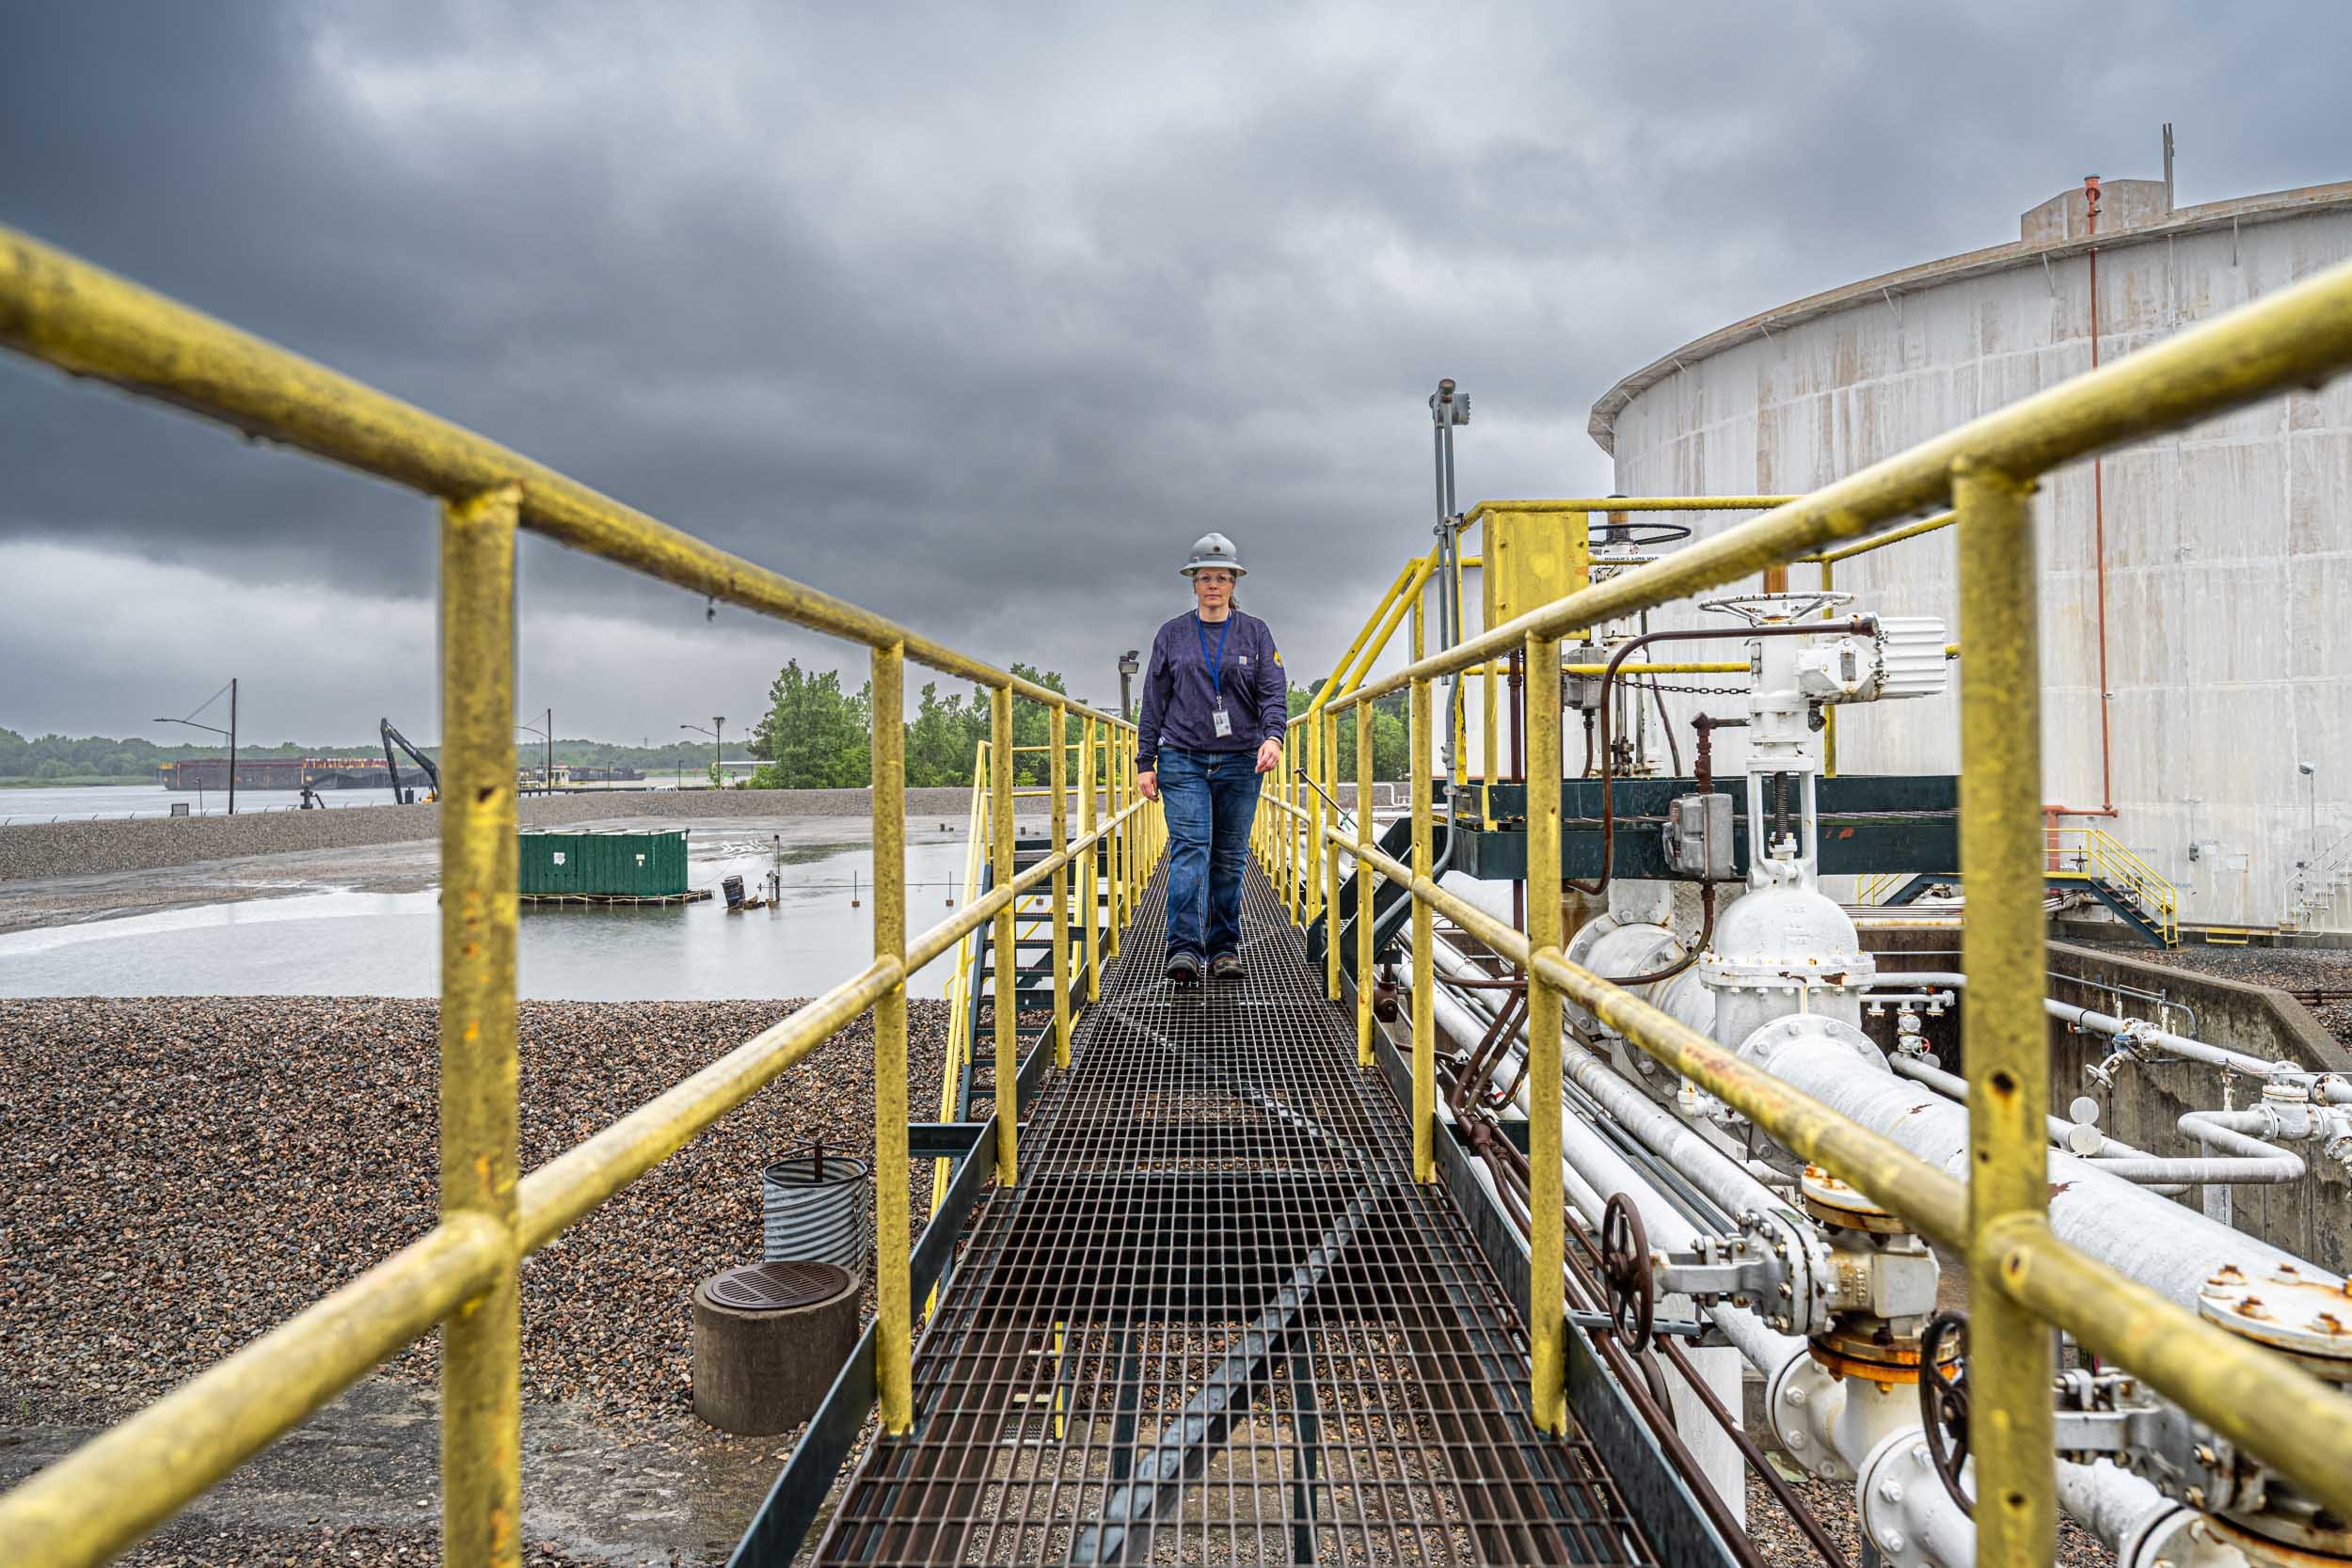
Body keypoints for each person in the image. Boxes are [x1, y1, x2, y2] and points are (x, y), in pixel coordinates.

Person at [1135, 532, 1288, 984]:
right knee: (1190, 849)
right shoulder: (1173, 635)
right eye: (1205, 578)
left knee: (1228, 856)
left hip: (1242, 760)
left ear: (1234, 582)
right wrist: (1146, 762)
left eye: (1222, 577)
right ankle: (1183, 948)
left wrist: (1274, 737)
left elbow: (1273, 693)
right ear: (1194, 582)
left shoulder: (1255, 633)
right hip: (1182, 759)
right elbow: (1153, 700)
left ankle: (1223, 948)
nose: (1214, 585)